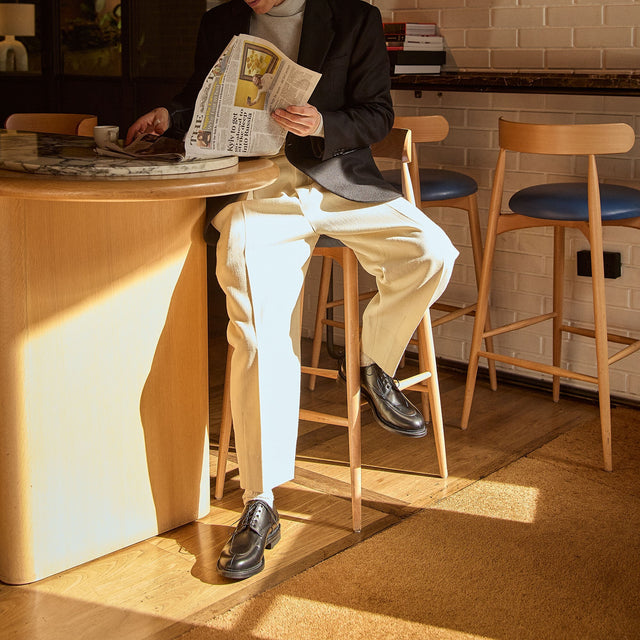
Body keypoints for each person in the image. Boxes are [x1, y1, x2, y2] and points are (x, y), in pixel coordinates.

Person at [127, 0, 458, 581]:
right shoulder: (221, 21)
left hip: (337, 182)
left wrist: (323, 122)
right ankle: (261, 501)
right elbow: (202, 103)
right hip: (256, 190)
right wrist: (168, 113)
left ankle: (371, 361)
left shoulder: (354, 18)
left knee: (431, 252)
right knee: (257, 335)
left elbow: (377, 114)